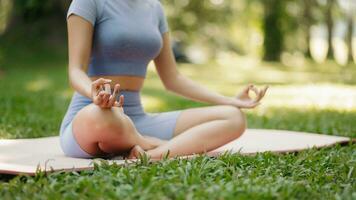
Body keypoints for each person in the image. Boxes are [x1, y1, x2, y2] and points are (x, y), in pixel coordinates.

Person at [59, 0, 268, 159]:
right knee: (103, 118)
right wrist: (94, 93)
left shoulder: (155, 8)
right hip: (92, 116)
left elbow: (173, 79)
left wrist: (232, 101)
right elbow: (75, 71)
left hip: (136, 120)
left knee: (233, 118)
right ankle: (149, 142)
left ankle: (151, 155)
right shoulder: (87, 2)